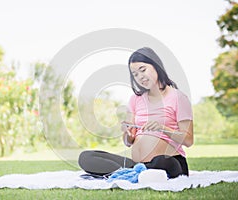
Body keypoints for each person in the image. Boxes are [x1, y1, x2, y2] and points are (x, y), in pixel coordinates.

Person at [78, 47, 193, 179]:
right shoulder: (135, 100)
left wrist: (163, 128)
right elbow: (128, 142)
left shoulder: (178, 98)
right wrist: (128, 133)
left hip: (170, 161)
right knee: (86, 157)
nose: (140, 77)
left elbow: (188, 140)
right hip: (137, 164)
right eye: (135, 74)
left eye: (143, 70)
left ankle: (127, 173)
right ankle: (136, 173)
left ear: (156, 66)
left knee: (162, 161)